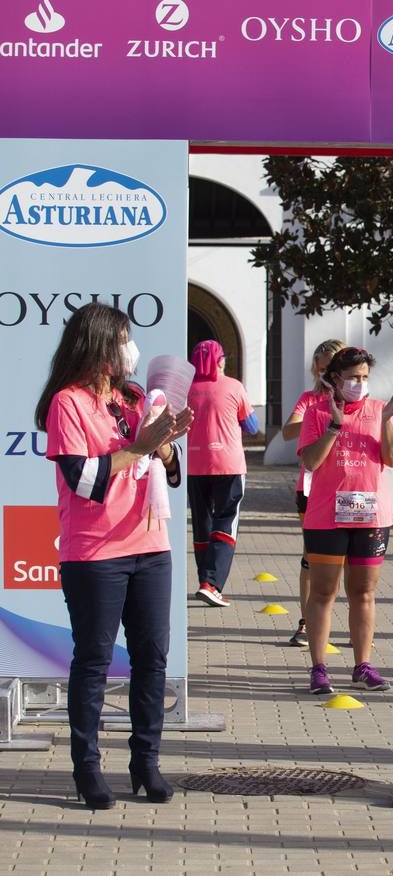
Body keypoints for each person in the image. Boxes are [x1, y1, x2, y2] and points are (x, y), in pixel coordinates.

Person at [35, 302, 193, 809]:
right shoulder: (67, 403)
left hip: (150, 545)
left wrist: (165, 445)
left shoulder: (134, 397)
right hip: (95, 552)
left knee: (153, 659)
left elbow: (170, 472)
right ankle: (87, 770)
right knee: (95, 661)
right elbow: (83, 480)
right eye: (123, 338)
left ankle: (146, 764)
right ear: (100, 346)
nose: (131, 348)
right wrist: (142, 445)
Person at [297, 346, 393, 695]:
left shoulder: (378, 410)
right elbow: (311, 462)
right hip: (327, 516)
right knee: (323, 592)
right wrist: (333, 427)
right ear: (335, 379)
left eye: (364, 378)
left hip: (371, 516)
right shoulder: (316, 412)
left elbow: (392, 458)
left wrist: (387, 420)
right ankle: (319, 667)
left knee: (364, 593)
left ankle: (363, 665)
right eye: (353, 377)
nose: (359, 384)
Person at [281, 339, 346, 647]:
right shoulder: (309, 400)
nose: (324, 375)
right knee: (312, 558)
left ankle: (357, 623)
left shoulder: (360, 403)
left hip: (352, 491)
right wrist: (318, 419)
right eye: (319, 370)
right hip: (312, 489)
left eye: (329, 369)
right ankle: (306, 623)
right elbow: (288, 430)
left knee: (352, 562)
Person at [185, 340, 259, 608]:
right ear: (219, 361)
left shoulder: (186, 389)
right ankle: (212, 584)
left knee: (201, 522)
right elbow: (252, 425)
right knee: (226, 520)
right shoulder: (233, 386)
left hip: (194, 464)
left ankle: (204, 579)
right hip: (228, 464)